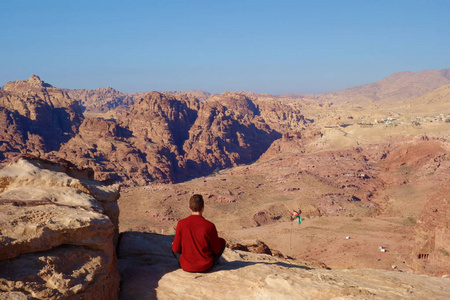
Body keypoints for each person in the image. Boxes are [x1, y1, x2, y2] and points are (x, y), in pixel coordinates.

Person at [172, 194, 226, 272]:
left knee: (174, 245)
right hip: (206, 267)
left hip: (186, 266)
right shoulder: (210, 225)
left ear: (189, 207)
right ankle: (215, 263)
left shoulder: (181, 223)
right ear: (203, 207)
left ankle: (182, 262)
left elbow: (175, 248)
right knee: (222, 242)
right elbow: (217, 249)